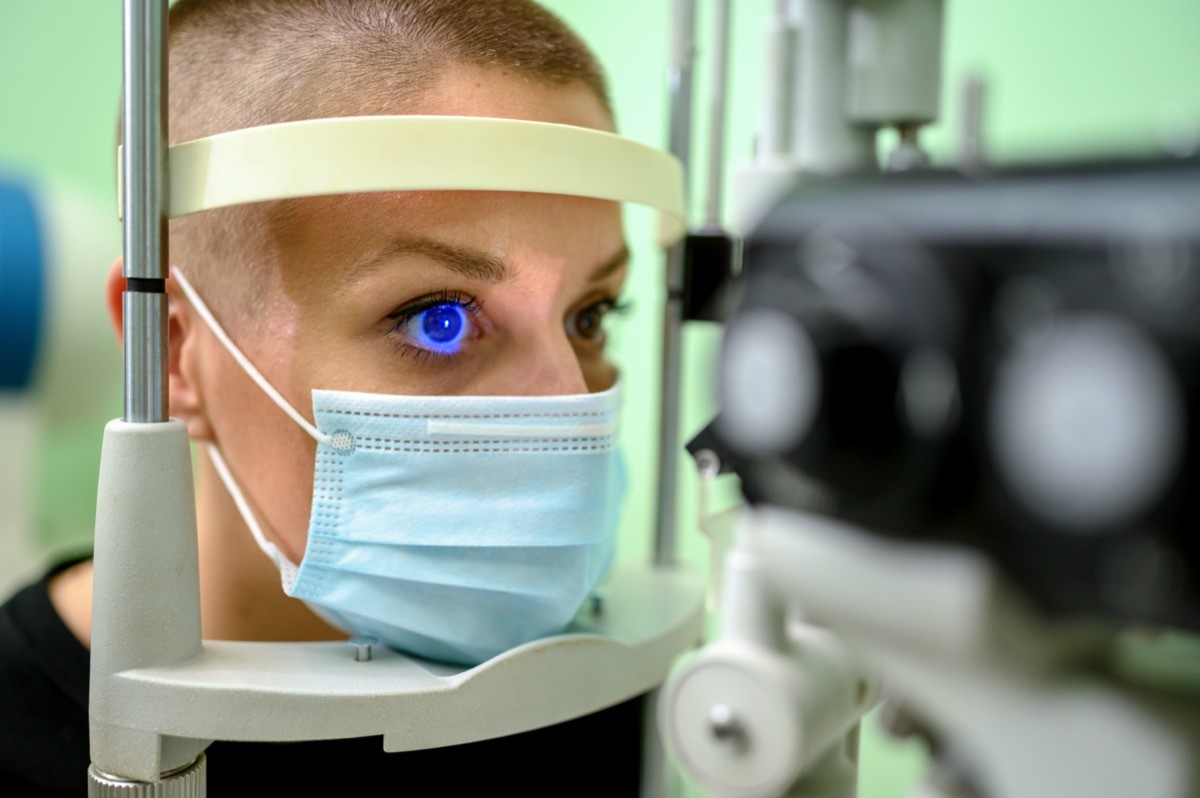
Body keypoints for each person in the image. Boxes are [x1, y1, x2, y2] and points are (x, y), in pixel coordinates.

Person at [0, 1, 656, 793]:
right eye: (438, 320)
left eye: (589, 315)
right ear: (174, 350)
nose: (568, 408)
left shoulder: (594, 690)